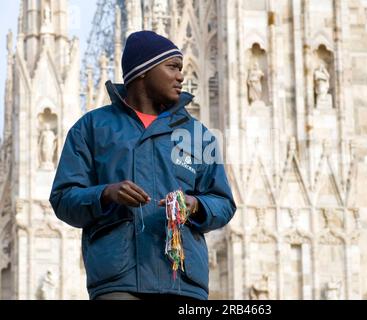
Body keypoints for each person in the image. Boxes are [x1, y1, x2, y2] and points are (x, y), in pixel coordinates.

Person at [49, 30, 236, 300]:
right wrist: (106, 194)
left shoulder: (198, 133)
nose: (181, 76)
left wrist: (195, 205)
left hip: (183, 283)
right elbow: (63, 199)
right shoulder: (92, 128)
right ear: (143, 71)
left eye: (181, 68)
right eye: (172, 67)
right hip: (119, 282)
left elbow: (223, 202)